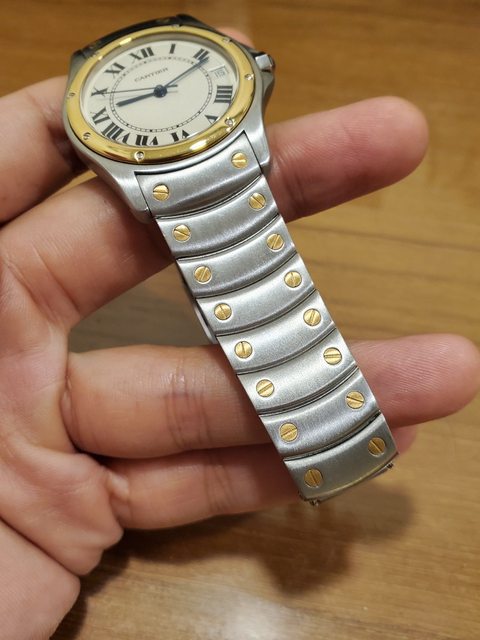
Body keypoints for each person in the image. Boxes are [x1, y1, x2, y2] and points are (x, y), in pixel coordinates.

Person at [0, 27, 479, 640]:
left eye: (174, 83)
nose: (164, 91)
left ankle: (338, 442)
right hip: (166, 184)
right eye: (151, 90)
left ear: (254, 75)